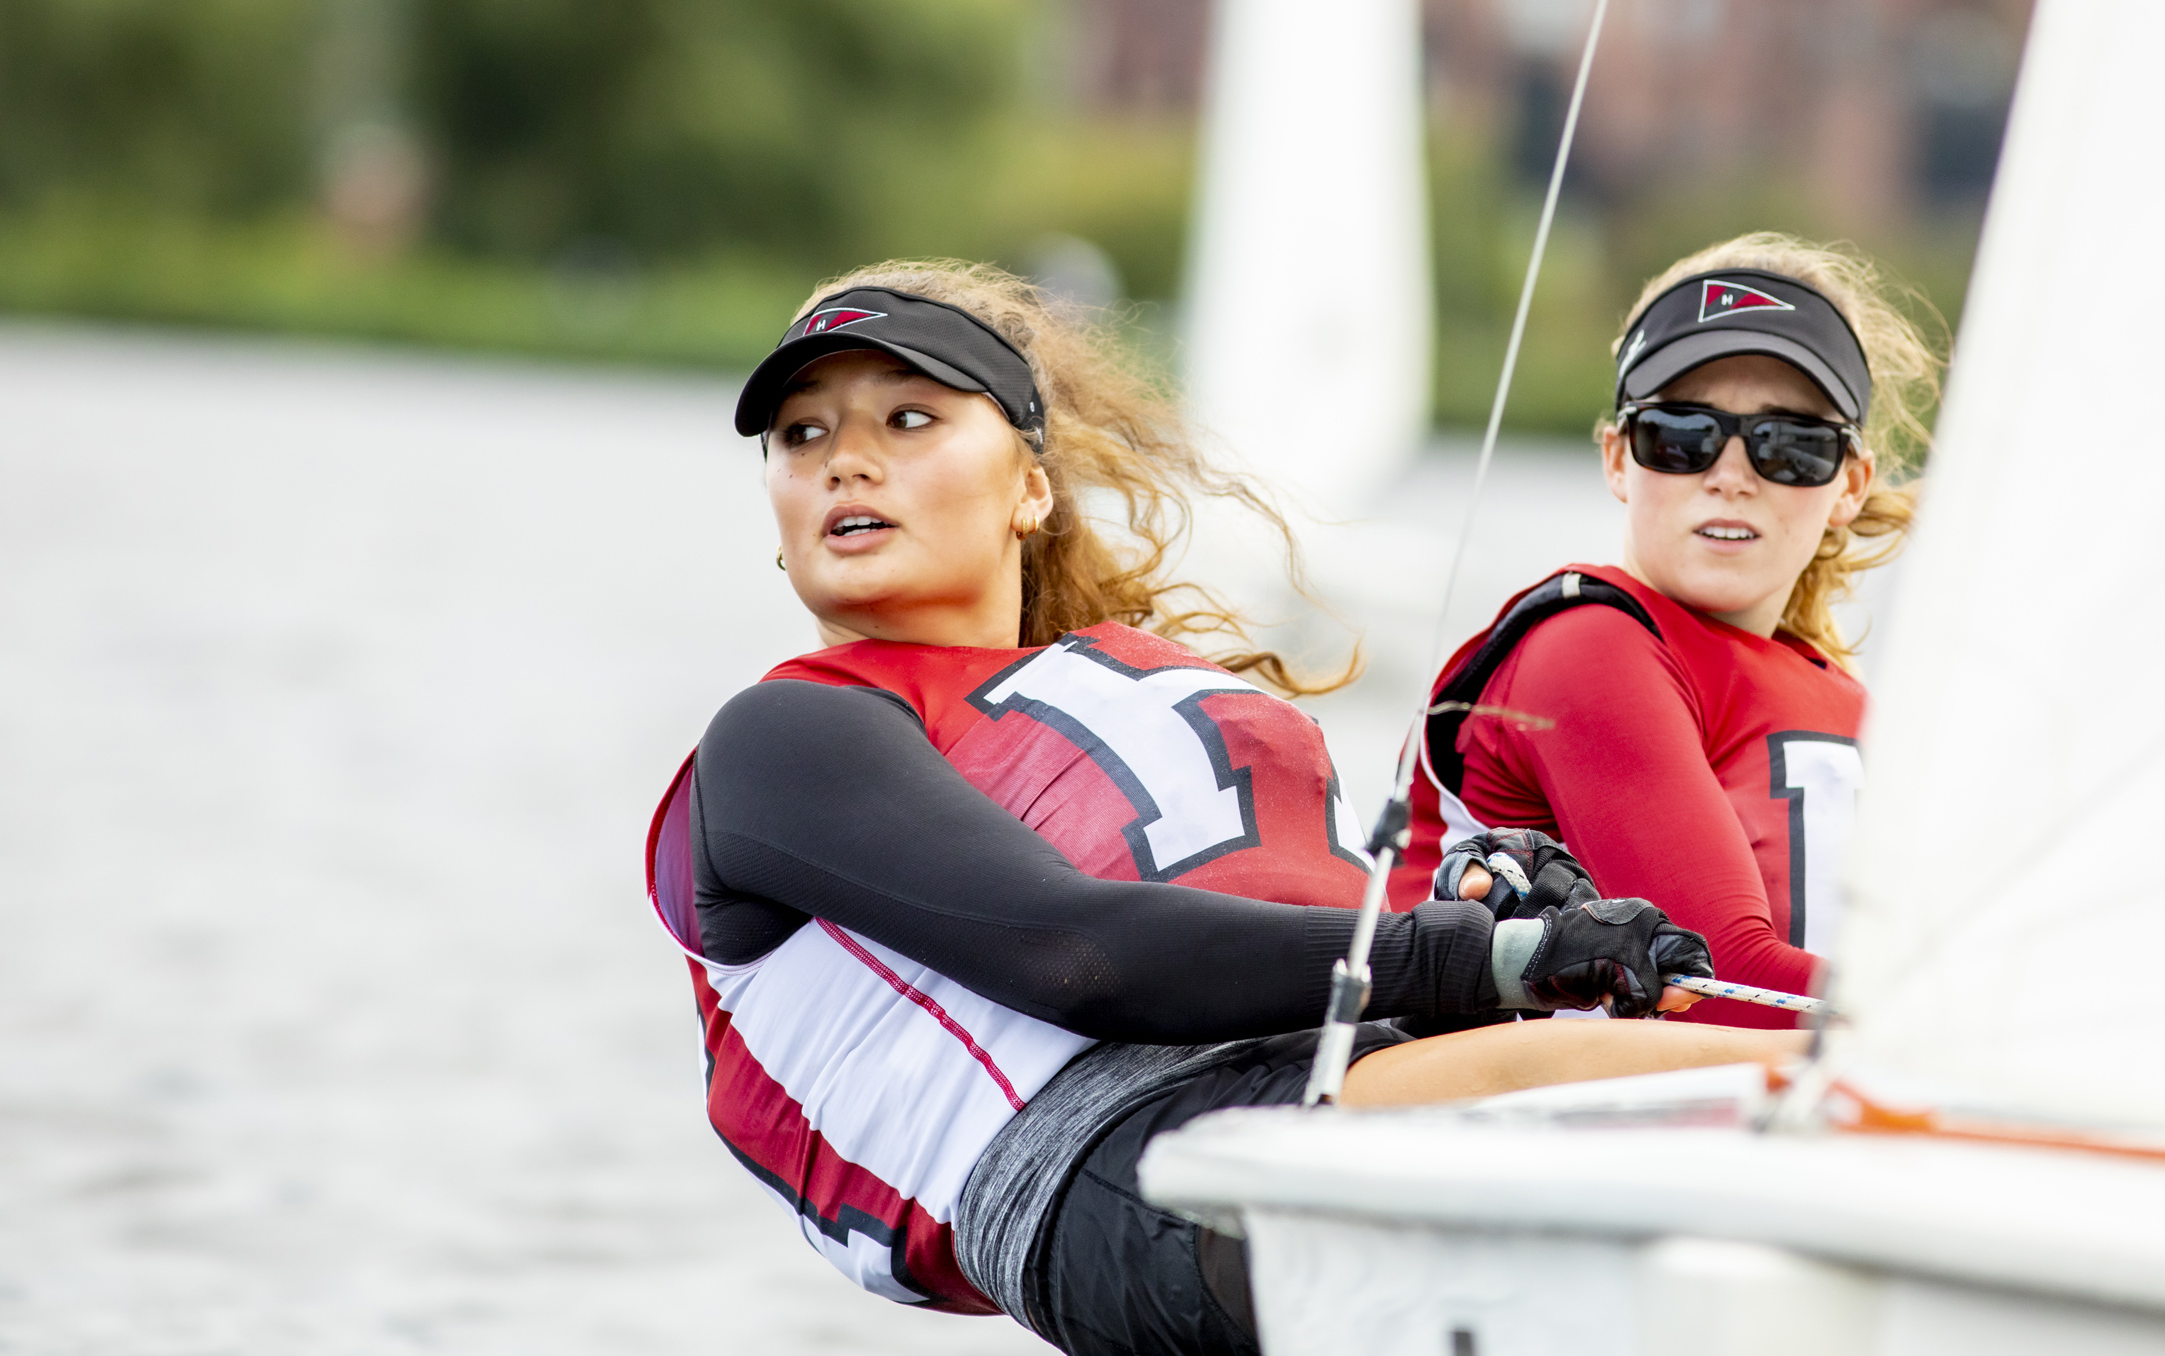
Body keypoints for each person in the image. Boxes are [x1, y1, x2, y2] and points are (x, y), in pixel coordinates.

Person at [644, 261, 1808, 1356]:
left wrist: (1485, 897)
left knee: (1761, 1107)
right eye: (804, 436)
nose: (846, 461)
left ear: (1032, 488)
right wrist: (1497, 955)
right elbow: (1078, 951)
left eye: (908, 419)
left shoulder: (1122, 695)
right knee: (1788, 1102)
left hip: (1299, 1093)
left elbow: (1326, 944)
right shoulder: (785, 737)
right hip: (1115, 1163)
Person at [1390, 234, 1943, 1030]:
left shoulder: (1845, 696)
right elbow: (1716, 981)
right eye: (1680, 435)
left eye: (1790, 445)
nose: (1730, 472)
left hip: (1772, 1122)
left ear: (1849, 483)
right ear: (1619, 459)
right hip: (1519, 1128)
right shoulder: (1587, 646)